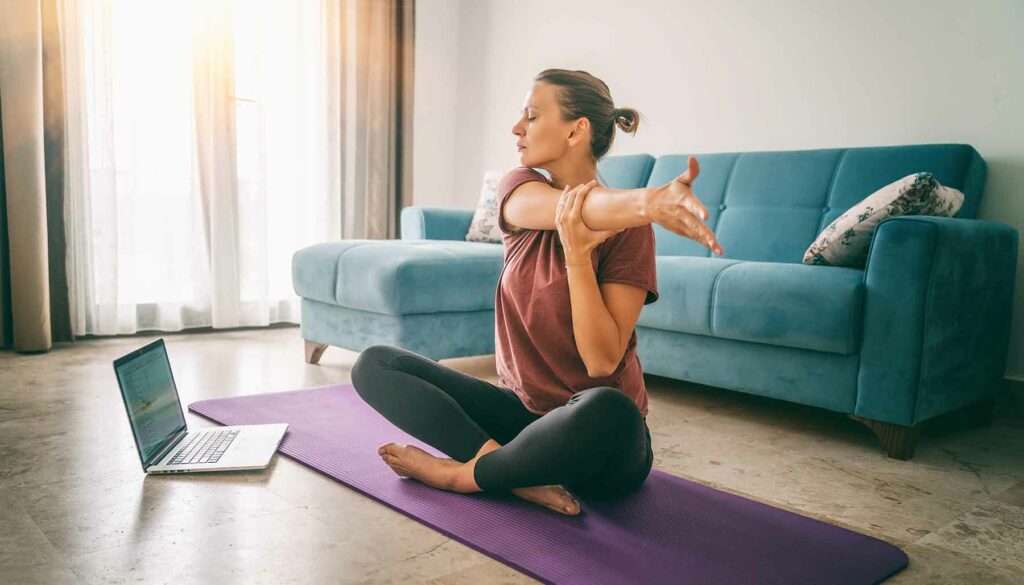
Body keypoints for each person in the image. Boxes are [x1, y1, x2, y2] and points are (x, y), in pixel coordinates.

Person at [351, 68, 724, 516]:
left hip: (596, 441)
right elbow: (574, 208)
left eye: (531, 115)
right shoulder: (520, 187)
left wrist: (579, 257)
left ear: (575, 130)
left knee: (610, 407)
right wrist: (646, 202)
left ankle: (463, 475)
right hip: (521, 417)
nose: (517, 128)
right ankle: (505, 469)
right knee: (375, 363)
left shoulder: (630, 233)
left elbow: (602, 361)